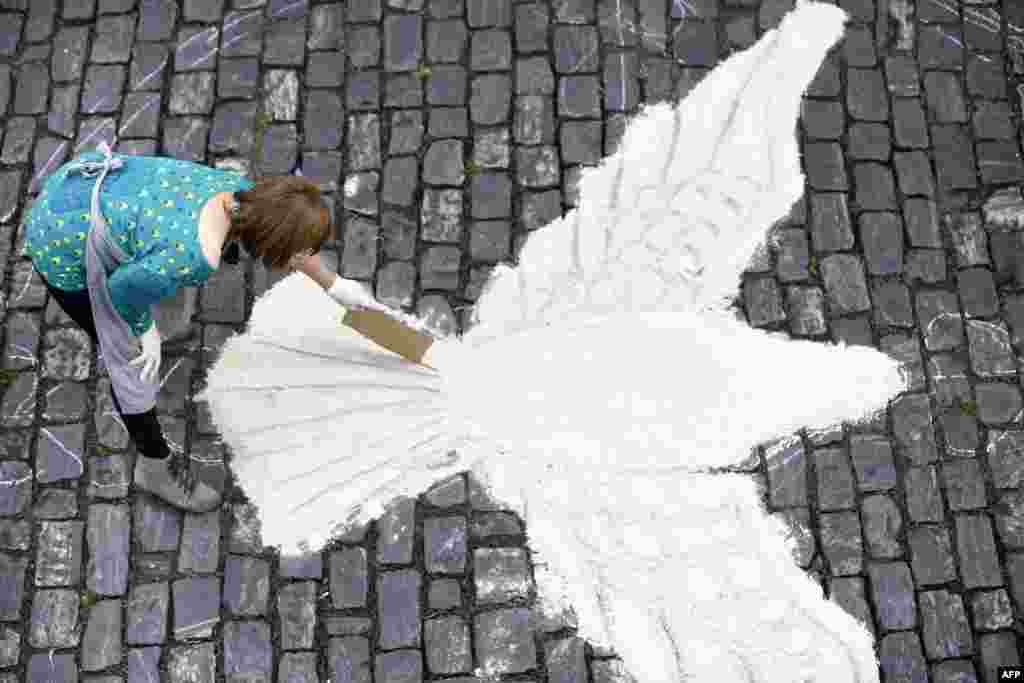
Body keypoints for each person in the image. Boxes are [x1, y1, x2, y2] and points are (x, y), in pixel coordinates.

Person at [23, 144, 380, 512]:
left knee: (161, 270)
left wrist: (332, 284)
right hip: (60, 244)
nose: (293, 262)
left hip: (80, 192)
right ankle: (154, 469)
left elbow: (281, 233)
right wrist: (145, 333)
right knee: (133, 364)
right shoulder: (197, 255)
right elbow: (121, 291)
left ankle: (170, 325)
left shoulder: (241, 192)